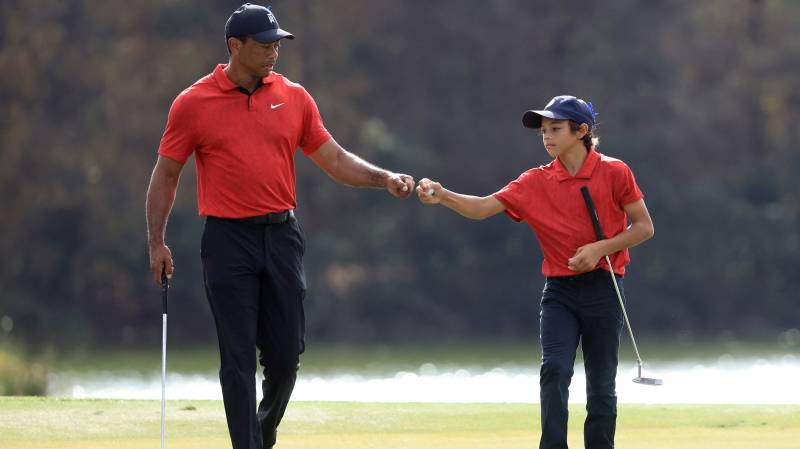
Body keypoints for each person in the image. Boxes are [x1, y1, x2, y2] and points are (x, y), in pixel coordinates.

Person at [145, 4, 414, 449]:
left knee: (286, 357)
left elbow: (334, 158)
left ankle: (262, 432)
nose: (274, 52)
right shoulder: (193, 102)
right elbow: (166, 174)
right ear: (235, 46)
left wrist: (383, 178)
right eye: (265, 44)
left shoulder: (294, 97)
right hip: (227, 240)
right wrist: (157, 242)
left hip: (281, 236)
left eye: (277, 44)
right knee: (236, 357)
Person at [416, 95, 654, 449]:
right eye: (543, 130)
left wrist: (598, 250)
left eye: (555, 128)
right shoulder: (534, 181)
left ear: (582, 131)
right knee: (554, 371)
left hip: (604, 288)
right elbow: (483, 208)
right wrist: (443, 195)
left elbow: (643, 227)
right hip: (559, 292)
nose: (546, 136)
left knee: (602, 385)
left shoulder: (615, 171)